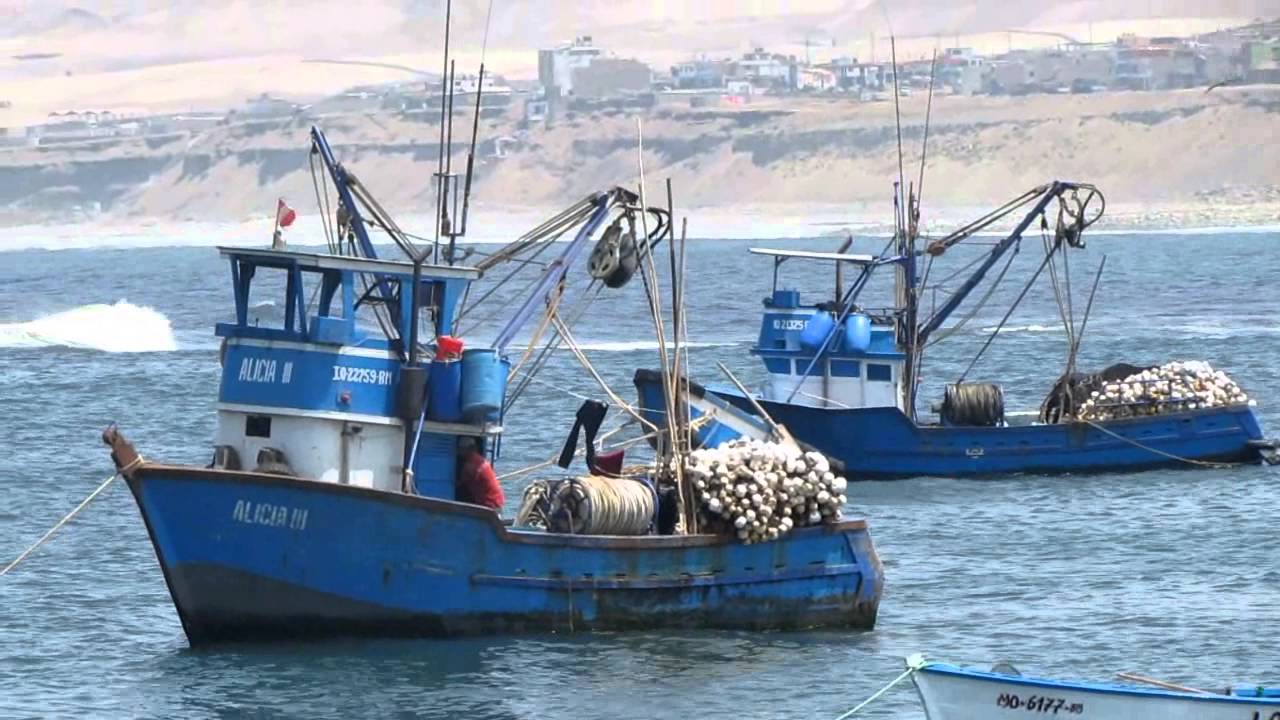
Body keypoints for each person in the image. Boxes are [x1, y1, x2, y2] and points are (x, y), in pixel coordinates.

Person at [455, 437, 504, 511]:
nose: (458, 451)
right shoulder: (480, 460)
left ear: (467, 449)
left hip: (488, 504)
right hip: (497, 501)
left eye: (460, 449)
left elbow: (458, 484)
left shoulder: (470, 465)